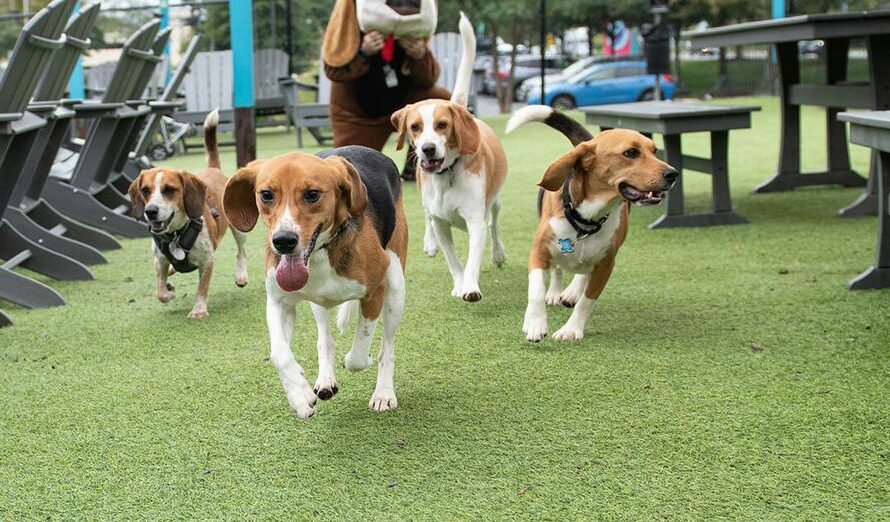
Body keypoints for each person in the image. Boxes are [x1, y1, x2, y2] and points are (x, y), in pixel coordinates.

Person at [323, 0, 450, 180]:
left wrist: (419, 56)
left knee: (440, 100)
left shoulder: (411, 31)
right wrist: (362, 52)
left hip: (402, 106)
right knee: (348, 172)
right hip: (359, 116)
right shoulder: (352, 26)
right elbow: (334, 70)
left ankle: (416, 165)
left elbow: (428, 80)